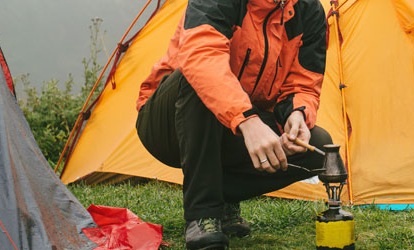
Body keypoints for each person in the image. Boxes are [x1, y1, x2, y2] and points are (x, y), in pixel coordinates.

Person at [134, 0, 335, 249]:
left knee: (319, 148)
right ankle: (203, 215)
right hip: (168, 123)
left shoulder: (308, 11)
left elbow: (303, 83)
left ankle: (224, 197)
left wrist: (296, 115)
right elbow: (201, 56)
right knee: (200, 78)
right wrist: (248, 122)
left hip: (232, 124)